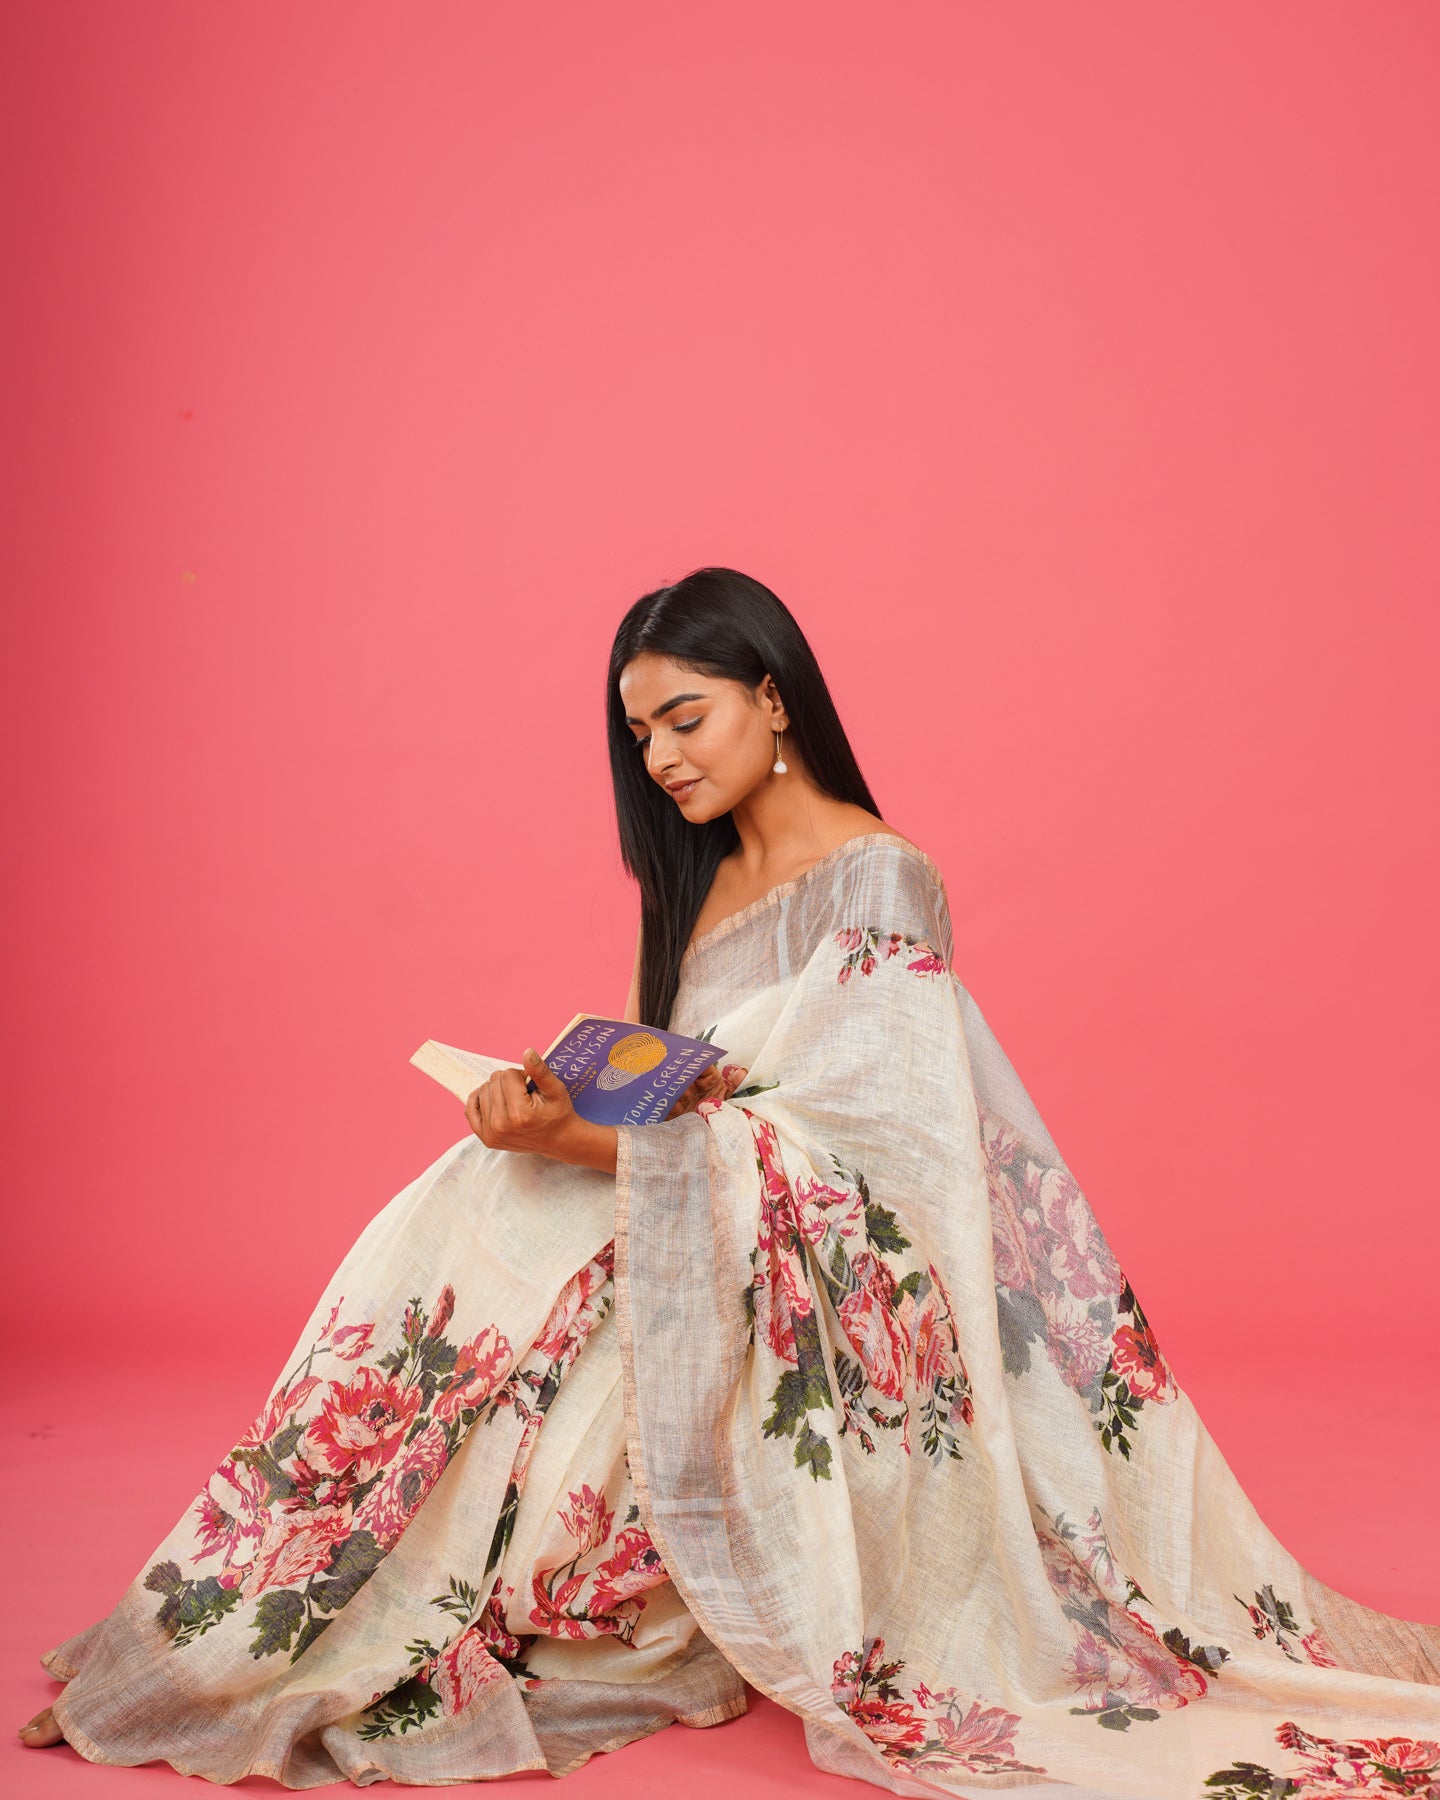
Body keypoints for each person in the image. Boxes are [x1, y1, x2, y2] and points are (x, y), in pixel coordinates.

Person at [19, 566, 1440, 1795]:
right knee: (466, 1205)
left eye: (683, 718)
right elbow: (715, 1097)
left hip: (815, 1304)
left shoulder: (883, 878)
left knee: (502, 1274)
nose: (659, 759)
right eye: (638, 734)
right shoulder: (699, 890)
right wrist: (561, 1105)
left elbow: (883, 1175)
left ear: (774, 696)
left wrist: (576, 1145)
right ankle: (243, 1614)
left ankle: (316, 1620)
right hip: (685, 1243)